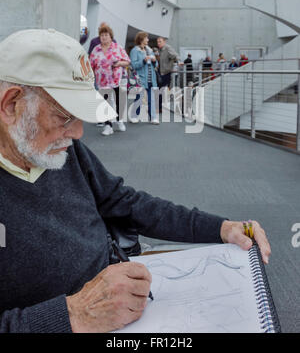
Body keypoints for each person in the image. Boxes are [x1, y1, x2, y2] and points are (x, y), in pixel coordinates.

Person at [0, 29, 271, 333]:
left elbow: (126, 203)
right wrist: (73, 315)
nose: (78, 133)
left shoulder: (61, 149)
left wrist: (221, 227)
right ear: (12, 105)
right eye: (65, 117)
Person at [89, 24, 130, 136]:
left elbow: (127, 61)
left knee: (117, 101)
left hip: (116, 80)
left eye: (106, 35)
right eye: (102, 35)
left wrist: (119, 63)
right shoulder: (96, 49)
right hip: (102, 81)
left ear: (110, 36)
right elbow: (91, 65)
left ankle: (119, 120)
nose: (104, 37)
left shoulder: (117, 47)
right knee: (105, 103)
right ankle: (108, 125)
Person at [129, 32, 159, 124]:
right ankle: (134, 116)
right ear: (141, 39)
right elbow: (133, 65)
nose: (148, 40)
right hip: (141, 78)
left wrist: (154, 61)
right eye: (146, 38)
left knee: (152, 99)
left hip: (151, 78)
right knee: (139, 98)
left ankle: (153, 117)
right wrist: (144, 61)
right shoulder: (135, 51)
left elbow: (156, 64)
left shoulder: (149, 50)